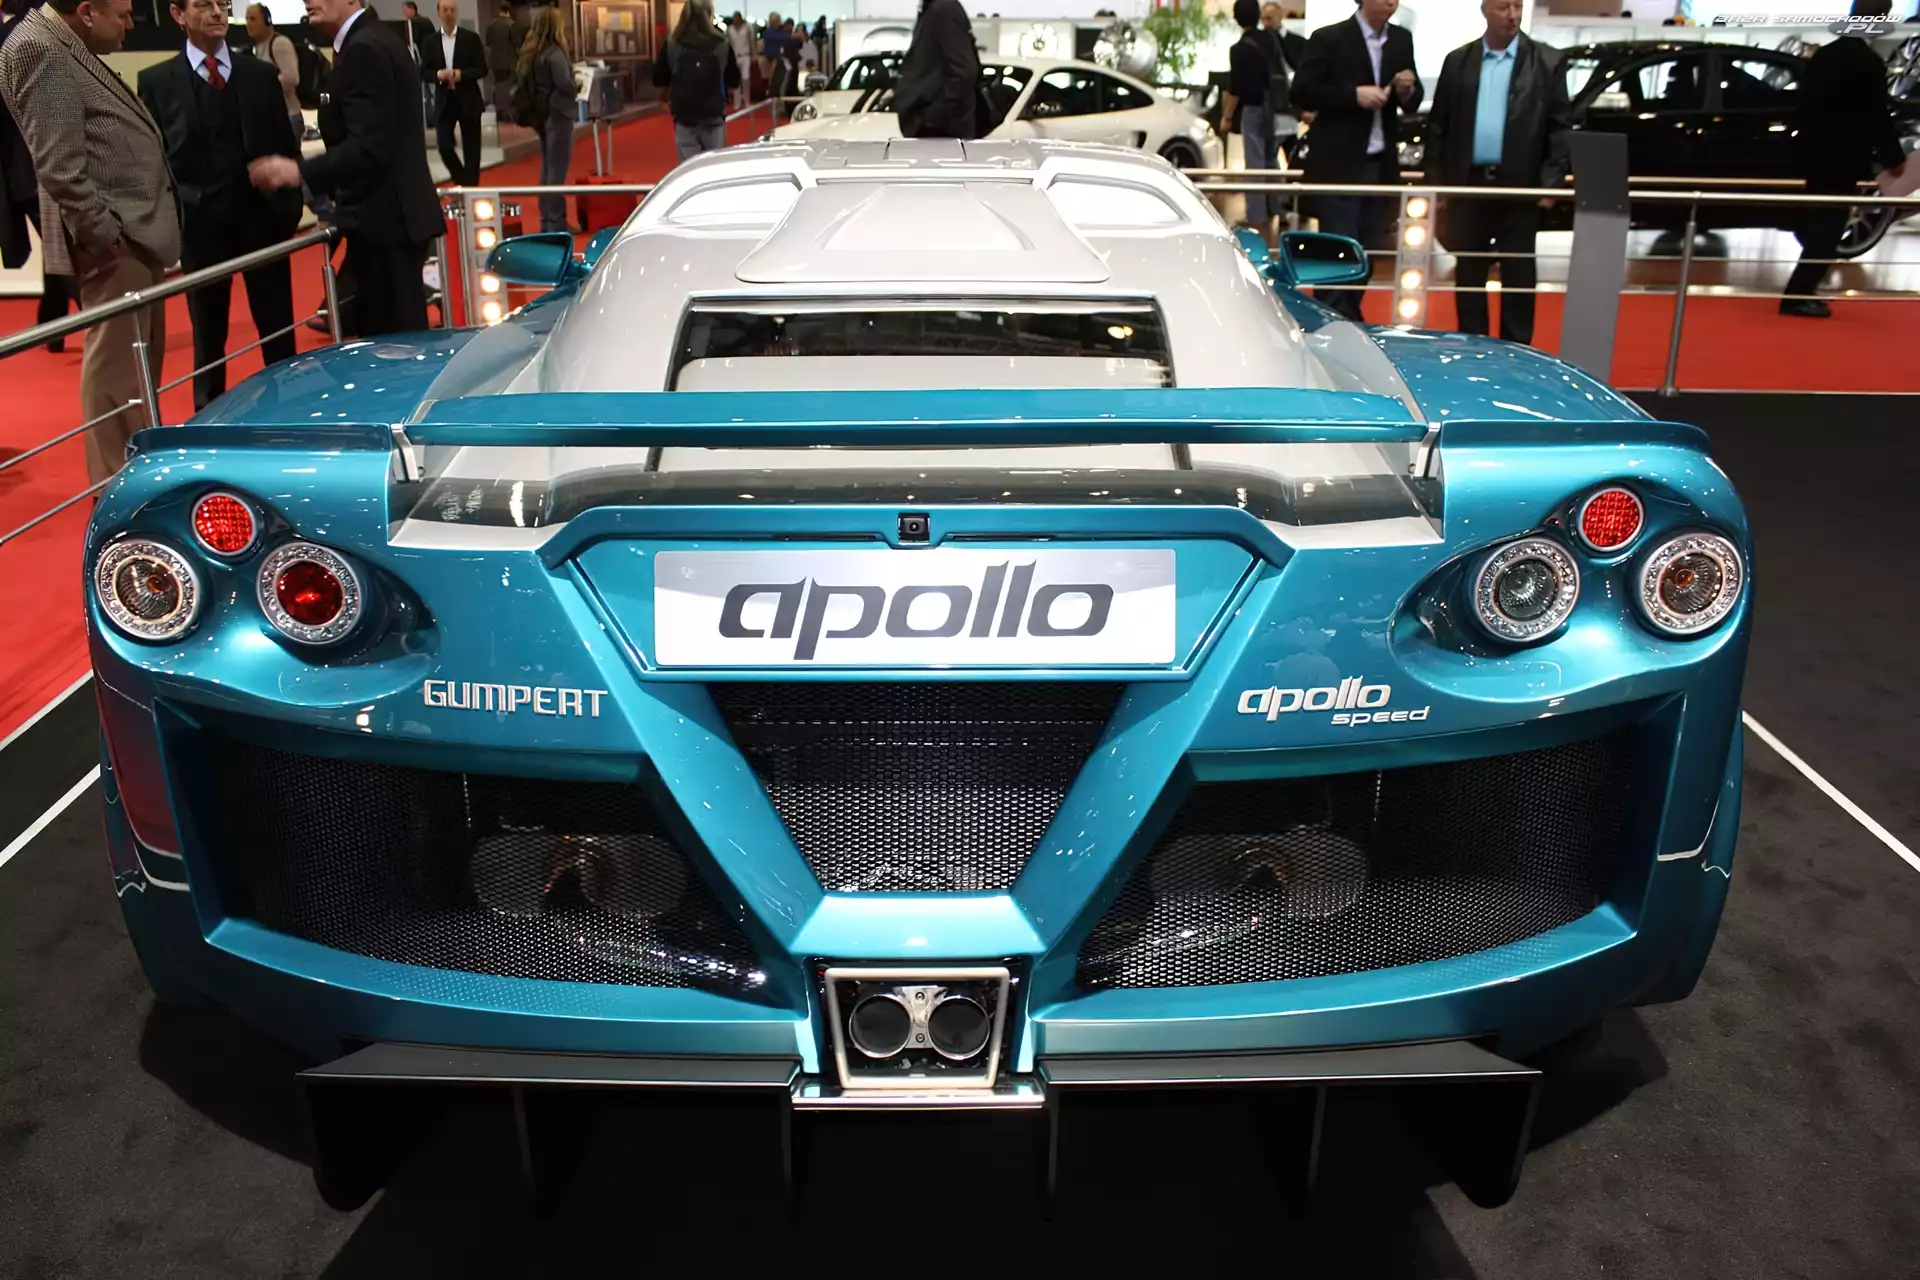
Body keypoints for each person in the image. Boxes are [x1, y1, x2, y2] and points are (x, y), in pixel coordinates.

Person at [0, 0, 181, 481]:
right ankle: (117, 484)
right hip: (115, 243)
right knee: (117, 370)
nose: (130, 24)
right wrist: (106, 236)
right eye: (122, 15)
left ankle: (134, 470)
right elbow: (59, 167)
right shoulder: (40, 48)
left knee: (135, 367)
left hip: (133, 236)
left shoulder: (60, 44)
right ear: (86, 12)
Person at [139, 0, 302, 410]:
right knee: (208, 336)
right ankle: (209, 416)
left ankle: (291, 413)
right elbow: (156, 163)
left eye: (222, 4)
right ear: (178, 14)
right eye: (204, 5)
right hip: (200, 229)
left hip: (263, 222)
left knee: (278, 331)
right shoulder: (157, 83)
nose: (217, 13)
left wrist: (288, 210)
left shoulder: (260, 76)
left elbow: (286, 147)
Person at [248, 0, 442, 336]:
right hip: (387, 220)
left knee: (397, 347)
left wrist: (299, 172)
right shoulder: (368, 40)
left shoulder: (364, 48)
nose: (308, 1)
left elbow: (369, 146)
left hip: (387, 224)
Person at [1423, 0, 1570, 345]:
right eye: (1504, 7)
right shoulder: (1458, 61)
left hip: (1521, 188)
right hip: (1468, 185)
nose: (1513, 15)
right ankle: (1473, 348)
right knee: (1469, 274)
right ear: (1485, 10)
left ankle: (1516, 351)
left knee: (1518, 275)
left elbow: (1561, 127)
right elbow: (1438, 126)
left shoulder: (1547, 61)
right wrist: (1437, 184)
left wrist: (1550, 182)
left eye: (1518, 6)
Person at [1290, 0, 1422, 321]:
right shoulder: (1329, 38)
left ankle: (1346, 322)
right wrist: (1353, 96)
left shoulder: (1401, 39)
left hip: (1380, 166)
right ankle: (1332, 325)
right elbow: (1301, 92)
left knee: (1367, 254)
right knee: (1338, 255)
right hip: (1338, 166)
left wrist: (1407, 89)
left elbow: (1412, 103)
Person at [1781, 0, 1908, 317]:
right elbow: (1876, 115)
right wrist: (1894, 159)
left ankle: (1802, 290)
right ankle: (1798, 294)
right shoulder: (1867, 62)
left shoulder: (1825, 54)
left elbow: (1804, 106)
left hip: (1815, 153)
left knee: (1820, 224)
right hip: (1843, 157)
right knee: (1829, 227)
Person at [1, 0, 82, 351]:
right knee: (67, 249)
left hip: (26, 166)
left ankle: (52, 325)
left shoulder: (14, 34)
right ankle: (102, 319)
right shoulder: (23, 37)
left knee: (57, 248)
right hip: (35, 167)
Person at [652, 0, 739, 162]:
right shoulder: (722, 44)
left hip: (685, 118)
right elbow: (734, 80)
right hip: (713, 117)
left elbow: (658, 78)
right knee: (714, 167)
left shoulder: (672, 44)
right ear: (710, 14)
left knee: (689, 168)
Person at [1223, 0, 1276, 243]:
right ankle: (1276, 206)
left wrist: (1227, 117)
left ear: (1237, 18)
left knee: (1254, 163)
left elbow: (1236, 88)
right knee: (1271, 158)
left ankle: (1256, 217)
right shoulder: (1270, 39)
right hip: (1273, 107)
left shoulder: (1239, 49)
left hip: (1252, 108)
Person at [518, 5, 574, 232]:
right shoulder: (555, 53)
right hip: (558, 114)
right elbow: (564, 83)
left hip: (541, 115)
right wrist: (577, 84)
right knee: (557, 171)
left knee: (547, 168)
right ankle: (557, 221)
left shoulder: (532, 52)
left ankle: (547, 219)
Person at [417, 0, 485, 185]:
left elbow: (482, 69)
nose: (449, 13)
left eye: (452, 10)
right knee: (444, 146)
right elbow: (423, 72)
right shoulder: (430, 42)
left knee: (472, 150)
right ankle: (462, 181)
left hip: (468, 99)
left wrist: (460, 74)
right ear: (438, 13)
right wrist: (438, 75)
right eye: (445, 10)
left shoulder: (471, 38)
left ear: (457, 12)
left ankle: (471, 188)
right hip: (444, 100)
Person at [894, 0, 978, 140]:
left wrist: (931, 117)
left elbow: (964, 72)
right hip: (934, 129)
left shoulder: (943, 10)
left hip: (942, 132)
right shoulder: (933, 10)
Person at [245, 3, 303, 138]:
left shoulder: (279, 43)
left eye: (252, 19)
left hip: (287, 117)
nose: (248, 24)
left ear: (267, 21)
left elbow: (292, 78)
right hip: (272, 117)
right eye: (247, 19)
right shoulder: (259, 45)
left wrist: (259, 86)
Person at [484, 0, 525, 121]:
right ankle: (506, 113)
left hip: (494, 63)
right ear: (509, 11)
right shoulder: (512, 25)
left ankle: (499, 111)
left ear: (499, 11)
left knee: (497, 86)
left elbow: (488, 43)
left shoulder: (491, 25)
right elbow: (518, 44)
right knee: (508, 87)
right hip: (509, 62)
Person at [726, 11, 752, 110]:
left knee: (746, 79)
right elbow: (727, 43)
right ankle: (737, 102)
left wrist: (753, 55)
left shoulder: (747, 28)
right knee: (736, 79)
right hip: (735, 57)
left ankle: (747, 101)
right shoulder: (729, 29)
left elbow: (751, 41)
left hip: (745, 55)